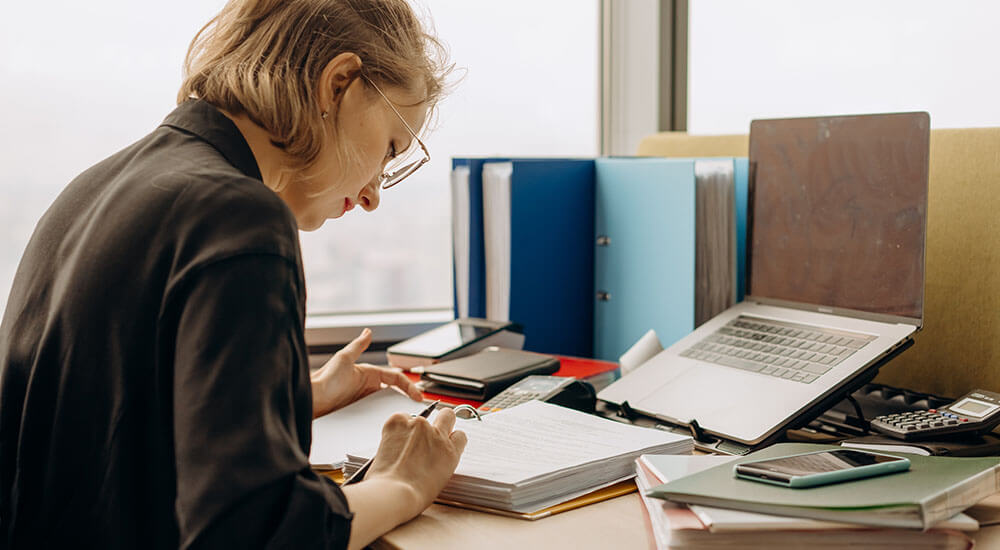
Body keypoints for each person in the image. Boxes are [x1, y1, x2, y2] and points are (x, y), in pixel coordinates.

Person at [0, 0, 467, 548]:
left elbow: (103, 417)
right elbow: (253, 529)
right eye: (389, 149)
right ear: (338, 84)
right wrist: (403, 484)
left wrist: (292, 396)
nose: (371, 196)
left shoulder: (97, 187)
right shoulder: (240, 217)